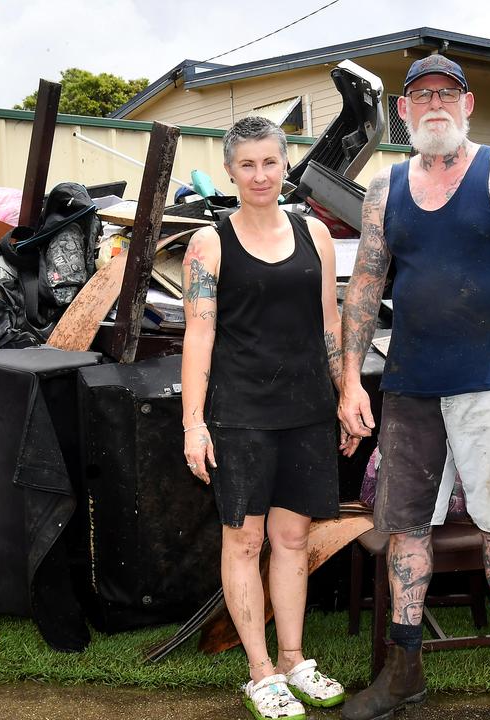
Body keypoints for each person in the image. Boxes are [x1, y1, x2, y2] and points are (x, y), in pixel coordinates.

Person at [338, 55, 490, 720]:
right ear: (403, 113)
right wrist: (351, 379)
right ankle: (403, 672)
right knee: (406, 528)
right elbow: (365, 284)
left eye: (447, 92)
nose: (434, 102)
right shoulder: (385, 189)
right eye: (420, 95)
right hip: (410, 386)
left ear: (467, 105)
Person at [181, 116, 359, 720]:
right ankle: (259, 671)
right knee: (245, 539)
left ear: (287, 166)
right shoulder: (210, 245)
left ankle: (292, 658)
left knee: (291, 538)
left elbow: (329, 326)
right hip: (240, 416)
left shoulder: (316, 235)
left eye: (270, 162)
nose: (260, 175)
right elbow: (198, 337)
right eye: (247, 165)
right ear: (230, 171)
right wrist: (193, 421)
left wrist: (344, 394)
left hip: (306, 409)